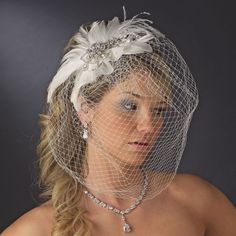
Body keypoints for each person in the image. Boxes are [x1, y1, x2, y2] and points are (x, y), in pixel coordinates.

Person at [2, 11, 236, 236]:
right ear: (85, 109)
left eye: (159, 110)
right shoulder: (37, 230)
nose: (149, 126)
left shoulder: (196, 200)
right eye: (129, 106)